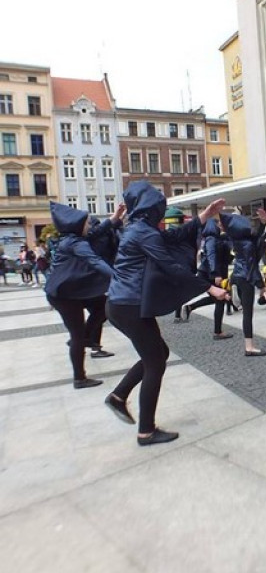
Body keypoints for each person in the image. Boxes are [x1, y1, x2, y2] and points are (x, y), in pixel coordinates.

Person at [106, 181, 229, 446]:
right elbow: (171, 265)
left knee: (158, 353)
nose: (161, 212)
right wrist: (209, 288)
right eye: (157, 208)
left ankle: (118, 396)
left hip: (123, 304)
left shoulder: (139, 229)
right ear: (149, 209)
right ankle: (146, 431)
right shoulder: (143, 233)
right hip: (128, 306)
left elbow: (172, 237)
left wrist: (203, 216)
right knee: (155, 362)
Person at [45, 202, 113, 389]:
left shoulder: (71, 238)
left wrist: (114, 218)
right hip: (64, 296)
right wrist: (117, 277)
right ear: (77, 225)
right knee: (76, 334)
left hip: (71, 290)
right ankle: (79, 378)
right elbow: (95, 261)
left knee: (103, 305)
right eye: (87, 223)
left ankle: (87, 337)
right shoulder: (75, 243)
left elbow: (97, 233)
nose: (90, 226)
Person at [219, 208, 266, 356]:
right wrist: (261, 285)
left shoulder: (236, 240)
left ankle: (235, 296)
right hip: (246, 277)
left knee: (246, 313)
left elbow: (257, 237)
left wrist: (262, 223)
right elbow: (252, 265)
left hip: (237, 275)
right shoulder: (247, 244)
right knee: (248, 314)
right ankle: (249, 347)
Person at [83, 204, 126, 358]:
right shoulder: (88, 237)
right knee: (100, 311)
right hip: (92, 281)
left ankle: (91, 343)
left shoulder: (106, 235)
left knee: (99, 312)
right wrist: (115, 217)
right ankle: (86, 339)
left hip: (99, 279)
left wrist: (118, 220)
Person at [182, 218, 234, 339]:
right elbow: (211, 256)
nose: (220, 226)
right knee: (220, 299)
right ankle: (218, 332)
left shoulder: (214, 238)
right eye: (218, 224)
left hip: (207, 273)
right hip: (210, 274)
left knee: (217, 299)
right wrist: (216, 274)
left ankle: (190, 307)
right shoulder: (211, 239)